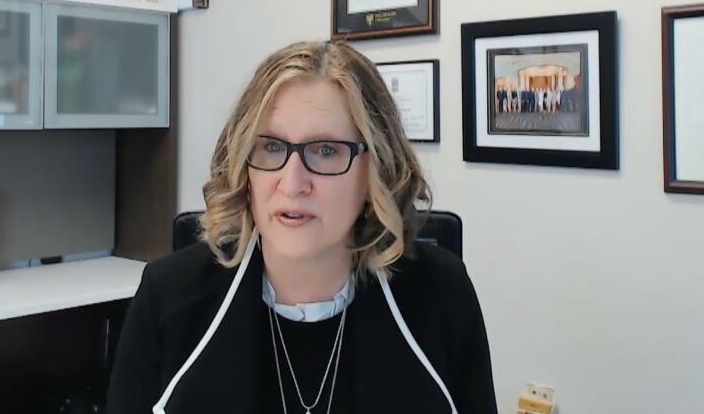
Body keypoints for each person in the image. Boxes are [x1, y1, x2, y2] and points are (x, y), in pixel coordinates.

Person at [106, 41, 498, 414]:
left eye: (326, 151)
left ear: (375, 171)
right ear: (245, 167)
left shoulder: (443, 295)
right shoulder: (168, 298)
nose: (292, 183)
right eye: (272, 147)